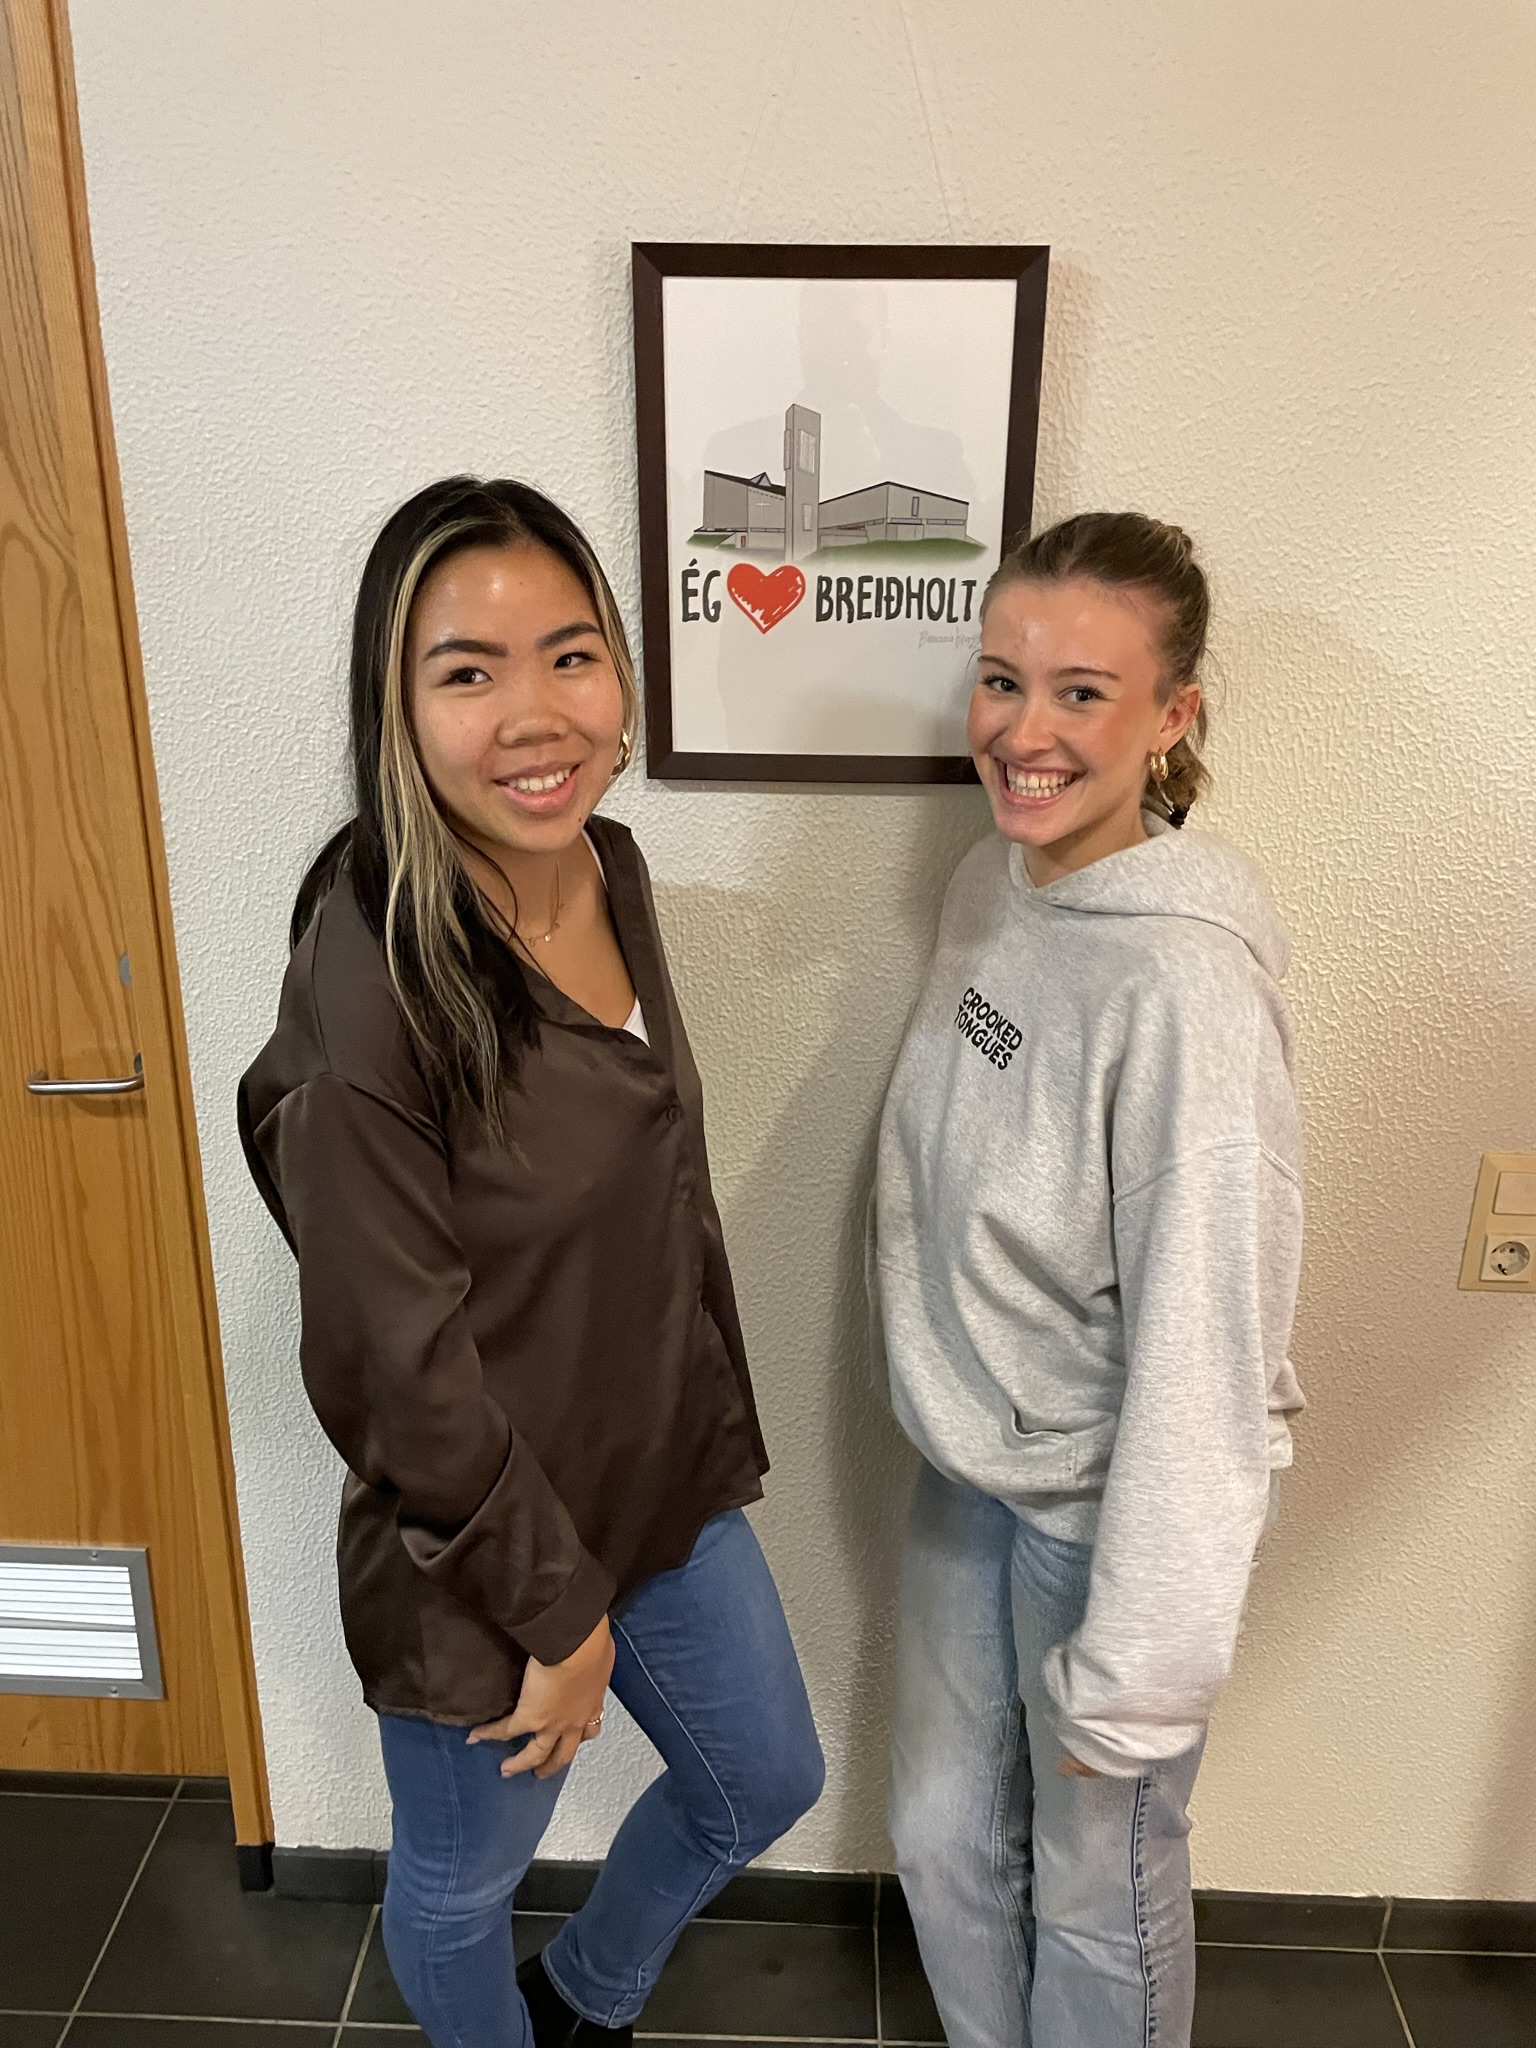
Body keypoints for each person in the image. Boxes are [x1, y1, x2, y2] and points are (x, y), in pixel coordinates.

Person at [239, 478, 823, 2048]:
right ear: (396, 707)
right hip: (484, 1546)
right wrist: (559, 1623)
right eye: (467, 671)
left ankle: (582, 2004)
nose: (535, 714)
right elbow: (394, 1365)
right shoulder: (371, 976)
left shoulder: (612, 867)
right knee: (456, 1893)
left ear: (622, 671)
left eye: (570, 655)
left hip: (659, 1472)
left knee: (763, 1779)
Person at [873, 513, 1304, 2048]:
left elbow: (1210, 1354)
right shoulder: (995, 885)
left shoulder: (1187, 988)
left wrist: (1138, 1676)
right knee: (938, 1835)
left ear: (1173, 716)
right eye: (1003, 681)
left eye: (1081, 693)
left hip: (1107, 1514)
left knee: (1097, 1880)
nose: (1024, 732)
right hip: (974, 1463)